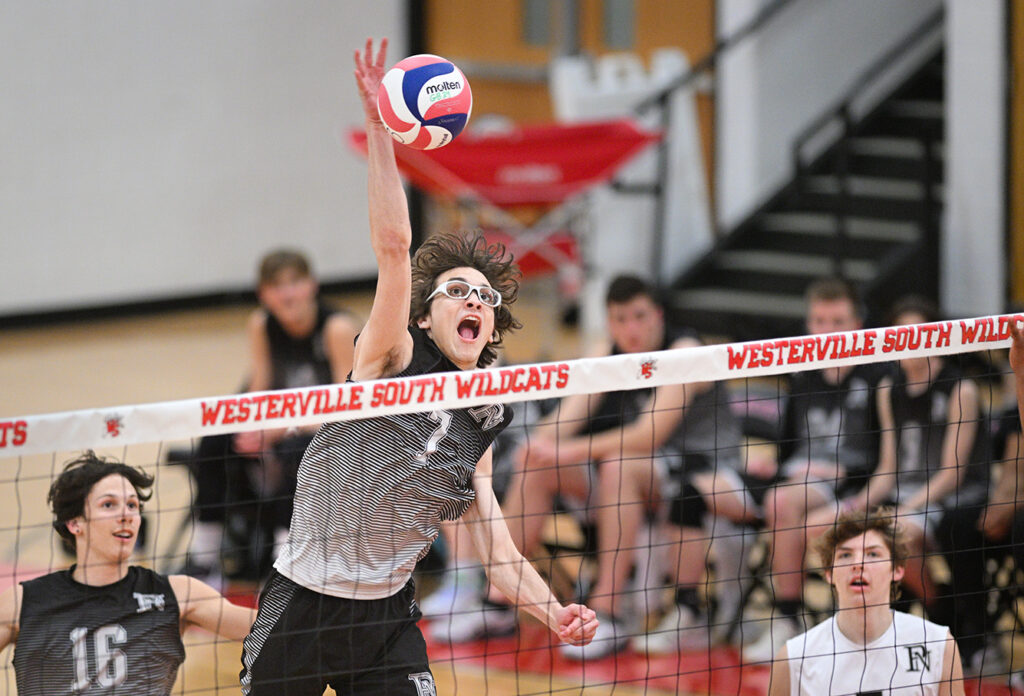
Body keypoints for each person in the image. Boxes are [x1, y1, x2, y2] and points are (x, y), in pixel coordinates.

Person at [238, 38, 597, 696]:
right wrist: (381, 132)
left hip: (387, 619)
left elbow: (500, 555)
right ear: (424, 317)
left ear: (491, 325)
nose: (472, 301)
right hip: (301, 606)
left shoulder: (484, 414)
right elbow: (395, 248)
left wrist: (555, 613)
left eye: (484, 297)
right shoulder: (389, 355)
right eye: (454, 291)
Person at [434, 274, 754, 660]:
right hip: (631, 479)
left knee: (618, 463)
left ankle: (609, 610)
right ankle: (498, 602)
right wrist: (539, 444)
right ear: (609, 321)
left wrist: (566, 451)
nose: (630, 329)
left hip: (702, 473)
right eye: (620, 319)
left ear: (659, 315)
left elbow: (648, 434)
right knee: (539, 461)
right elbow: (566, 418)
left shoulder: (683, 350)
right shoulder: (610, 349)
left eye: (639, 317)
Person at [0, 451, 256, 695]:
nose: (126, 515)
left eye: (132, 505)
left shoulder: (179, 594)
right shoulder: (24, 602)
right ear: (74, 522)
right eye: (109, 504)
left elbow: (273, 630)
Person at [186, 248, 359, 581]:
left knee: (295, 452)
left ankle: (286, 559)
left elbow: (349, 410)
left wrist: (281, 430)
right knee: (214, 442)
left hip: (338, 432)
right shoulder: (262, 324)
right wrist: (250, 429)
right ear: (263, 294)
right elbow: (258, 390)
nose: (288, 293)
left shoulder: (337, 328)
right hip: (285, 424)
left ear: (312, 285)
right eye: (277, 286)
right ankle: (205, 559)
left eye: (295, 282)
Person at [745, 277, 893, 662]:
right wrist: (774, 464)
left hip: (853, 482)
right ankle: (786, 619)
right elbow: (790, 442)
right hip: (802, 478)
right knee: (765, 500)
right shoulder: (802, 372)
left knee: (789, 511)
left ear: (858, 323)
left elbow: (884, 457)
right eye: (819, 321)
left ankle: (811, 620)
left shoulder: (879, 375)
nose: (827, 331)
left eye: (837, 321)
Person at [768, 507, 964, 696]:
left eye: (872, 554)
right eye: (845, 555)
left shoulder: (938, 644)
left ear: (897, 570)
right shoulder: (794, 658)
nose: (858, 564)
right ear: (829, 573)